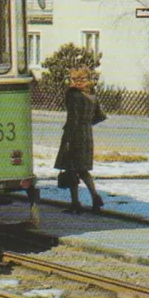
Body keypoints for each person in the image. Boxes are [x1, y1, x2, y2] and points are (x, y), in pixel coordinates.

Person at [54, 66, 107, 213]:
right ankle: (95, 197)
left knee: (71, 169)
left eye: (72, 78)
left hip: (74, 134)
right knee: (83, 170)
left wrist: (69, 139)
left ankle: (75, 203)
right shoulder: (92, 95)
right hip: (87, 135)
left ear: (76, 80)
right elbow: (101, 116)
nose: (70, 81)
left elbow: (73, 118)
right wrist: (87, 124)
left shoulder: (72, 95)